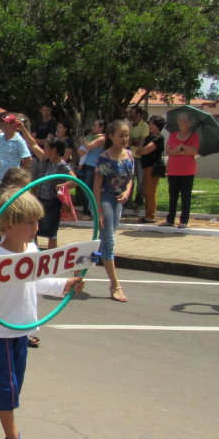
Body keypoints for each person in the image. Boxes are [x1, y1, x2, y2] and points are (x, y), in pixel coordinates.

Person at [0, 190, 85, 439]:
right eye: (29, 222)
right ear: (9, 225)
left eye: (37, 221)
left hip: (22, 331)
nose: (36, 228)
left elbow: (38, 283)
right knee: (7, 388)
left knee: (11, 385)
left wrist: (65, 285)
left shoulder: (32, 250)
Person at [93, 120, 135, 302]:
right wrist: (98, 209)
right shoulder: (105, 157)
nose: (125, 139)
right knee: (109, 241)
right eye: (121, 135)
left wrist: (127, 192)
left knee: (105, 240)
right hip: (105, 198)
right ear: (111, 136)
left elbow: (131, 179)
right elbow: (96, 185)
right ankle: (115, 286)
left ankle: (82, 261)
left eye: (127, 135)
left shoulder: (129, 155)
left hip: (119, 199)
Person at [27, 133, 74, 249]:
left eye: (46, 148)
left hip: (53, 204)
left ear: (54, 150)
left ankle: (51, 258)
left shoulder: (63, 166)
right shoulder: (45, 160)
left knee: (51, 233)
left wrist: (62, 186)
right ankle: (35, 253)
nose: (44, 150)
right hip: (40, 201)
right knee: (34, 229)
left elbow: (75, 181)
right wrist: (23, 129)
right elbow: (33, 145)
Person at [0, 114, 32, 206]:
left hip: (9, 180)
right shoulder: (0, 136)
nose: (3, 126)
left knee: (5, 206)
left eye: (6, 124)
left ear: (13, 126)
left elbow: (28, 158)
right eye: (3, 124)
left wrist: (20, 174)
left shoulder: (19, 141)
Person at [160, 112, 199, 228]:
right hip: (173, 169)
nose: (181, 123)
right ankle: (170, 219)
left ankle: (183, 220)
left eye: (184, 121)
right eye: (180, 121)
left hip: (188, 170)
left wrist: (183, 147)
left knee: (185, 196)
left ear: (189, 123)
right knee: (173, 195)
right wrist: (181, 151)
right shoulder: (173, 135)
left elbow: (194, 151)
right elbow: (168, 151)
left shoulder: (194, 136)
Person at [137, 115, 166, 223]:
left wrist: (142, 150)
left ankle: (151, 215)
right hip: (145, 165)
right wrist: (142, 150)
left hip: (154, 166)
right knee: (145, 190)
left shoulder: (159, 137)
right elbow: (139, 150)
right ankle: (147, 214)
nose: (150, 125)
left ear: (159, 126)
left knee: (150, 191)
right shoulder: (148, 137)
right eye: (150, 123)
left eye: (153, 124)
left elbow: (146, 150)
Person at [76, 119, 105, 219]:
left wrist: (84, 138)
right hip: (86, 164)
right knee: (85, 188)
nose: (93, 127)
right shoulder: (93, 137)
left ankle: (88, 213)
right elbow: (83, 149)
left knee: (88, 189)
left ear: (102, 127)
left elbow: (88, 146)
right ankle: (87, 211)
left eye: (95, 125)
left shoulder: (102, 138)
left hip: (93, 165)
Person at [127, 106, 150, 210]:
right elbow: (126, 141)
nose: (130, 114)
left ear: (138, 114)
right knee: (129, 179)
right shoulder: (128, 125)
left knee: (140, 181)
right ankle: (128, 201)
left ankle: (139, 202)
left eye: (132, 113)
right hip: (129, 156)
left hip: (140, 157)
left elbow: (142, 141)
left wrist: (131, 141)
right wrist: (133, 141)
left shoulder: (145, 126)